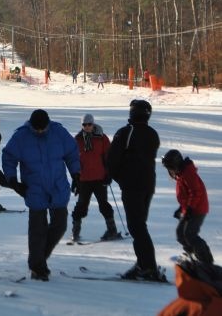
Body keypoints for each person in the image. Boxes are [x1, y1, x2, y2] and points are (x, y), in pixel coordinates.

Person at [2, 109, 80, 281]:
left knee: (60, 225)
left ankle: (38, 258)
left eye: (42, 129)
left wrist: (76, 174)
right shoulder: (21, 136)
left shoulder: (58, 132)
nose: (39, 132)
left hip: (57, 187)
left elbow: (72, 153)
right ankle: (38, 267)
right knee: (38, 230)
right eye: (36, 129)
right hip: (34, 188)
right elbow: (8, 158)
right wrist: (13, 181)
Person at [107, 99, 165, 282]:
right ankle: (143, 264)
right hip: (148, 184)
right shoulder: (152, 133)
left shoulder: (126, 132)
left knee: (136, 226)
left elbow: (112, 159)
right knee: (139, 225)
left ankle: (147, 266)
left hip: (133, 186)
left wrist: (115, 176)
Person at [70, 114, 119, 242]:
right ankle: (75, 233)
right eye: (84, 125)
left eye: (89, 124)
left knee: (104, 205)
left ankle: (112, 230)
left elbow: (109, 157)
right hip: (84, 179)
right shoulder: (78, 140)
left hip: (100, 178)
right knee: (81, 207)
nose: (87, 127)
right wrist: (75, 179)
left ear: (93, 124)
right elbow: (74, 161)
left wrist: (109, 174)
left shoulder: (102, 138)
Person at [161, 149, 213, 265]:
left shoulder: (188, 174)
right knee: (180, 233)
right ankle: (191, 253)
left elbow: (196, 192)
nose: (170, 171)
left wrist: (189, 209)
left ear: (176, 164)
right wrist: (182, 208)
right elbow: (187, 194)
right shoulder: (181, 174)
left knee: (190, 234)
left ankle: (206, 260)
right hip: (190, 209)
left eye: (170, 168)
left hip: (197, 209)